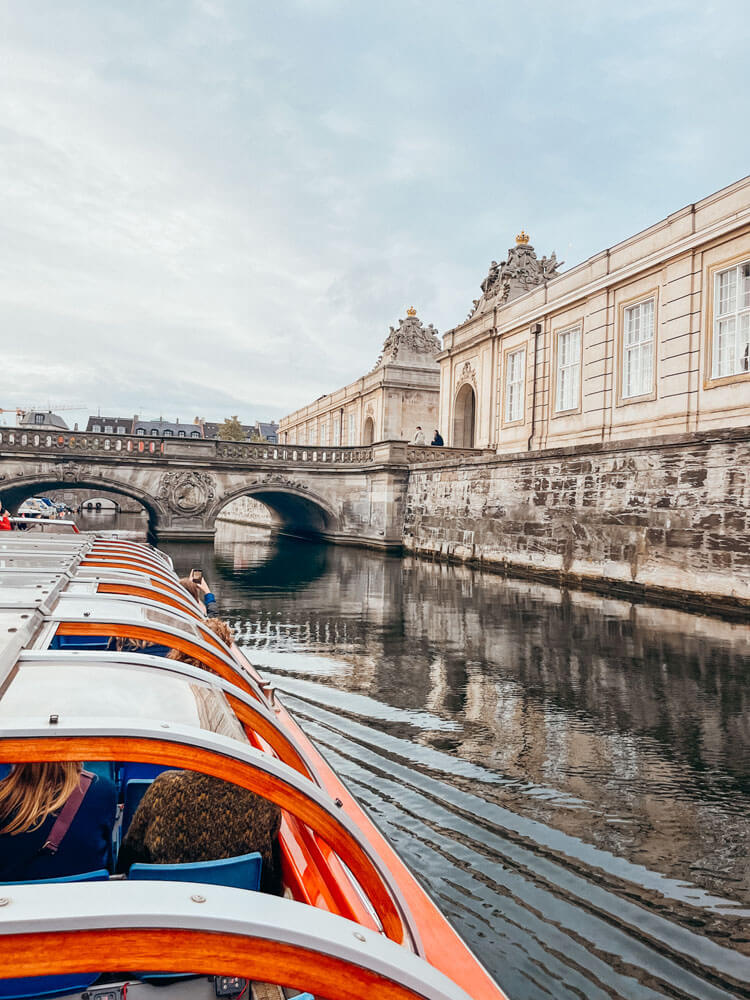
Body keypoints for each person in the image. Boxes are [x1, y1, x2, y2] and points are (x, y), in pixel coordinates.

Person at [116, 769, 283, 895]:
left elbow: (130, 854)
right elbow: (270, 877)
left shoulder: (165, 786)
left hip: (163, 904)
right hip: (235, 915)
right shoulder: (263, 798)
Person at [0, 762, 117, 881]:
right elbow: (106, 860)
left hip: (14, 898)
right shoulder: (103, 790)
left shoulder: (3, 797)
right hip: (83, 897)